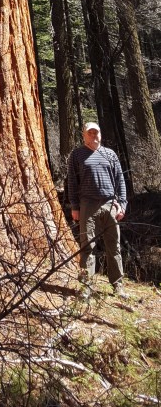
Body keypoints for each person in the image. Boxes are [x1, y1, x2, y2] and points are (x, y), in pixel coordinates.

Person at [67, 121, 128, 294]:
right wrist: (75, 206)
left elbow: (120, 181)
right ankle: (87, 285)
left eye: (96, 133)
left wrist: (122, 205)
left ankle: (118, 285)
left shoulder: (110, 154)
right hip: (88, 204)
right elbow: (72, 182)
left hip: (110, 204)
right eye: (90, 133)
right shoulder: (77, 155)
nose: (94, 136)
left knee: (114, 245)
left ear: (100, 134)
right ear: (84, 135)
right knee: (87, 245)